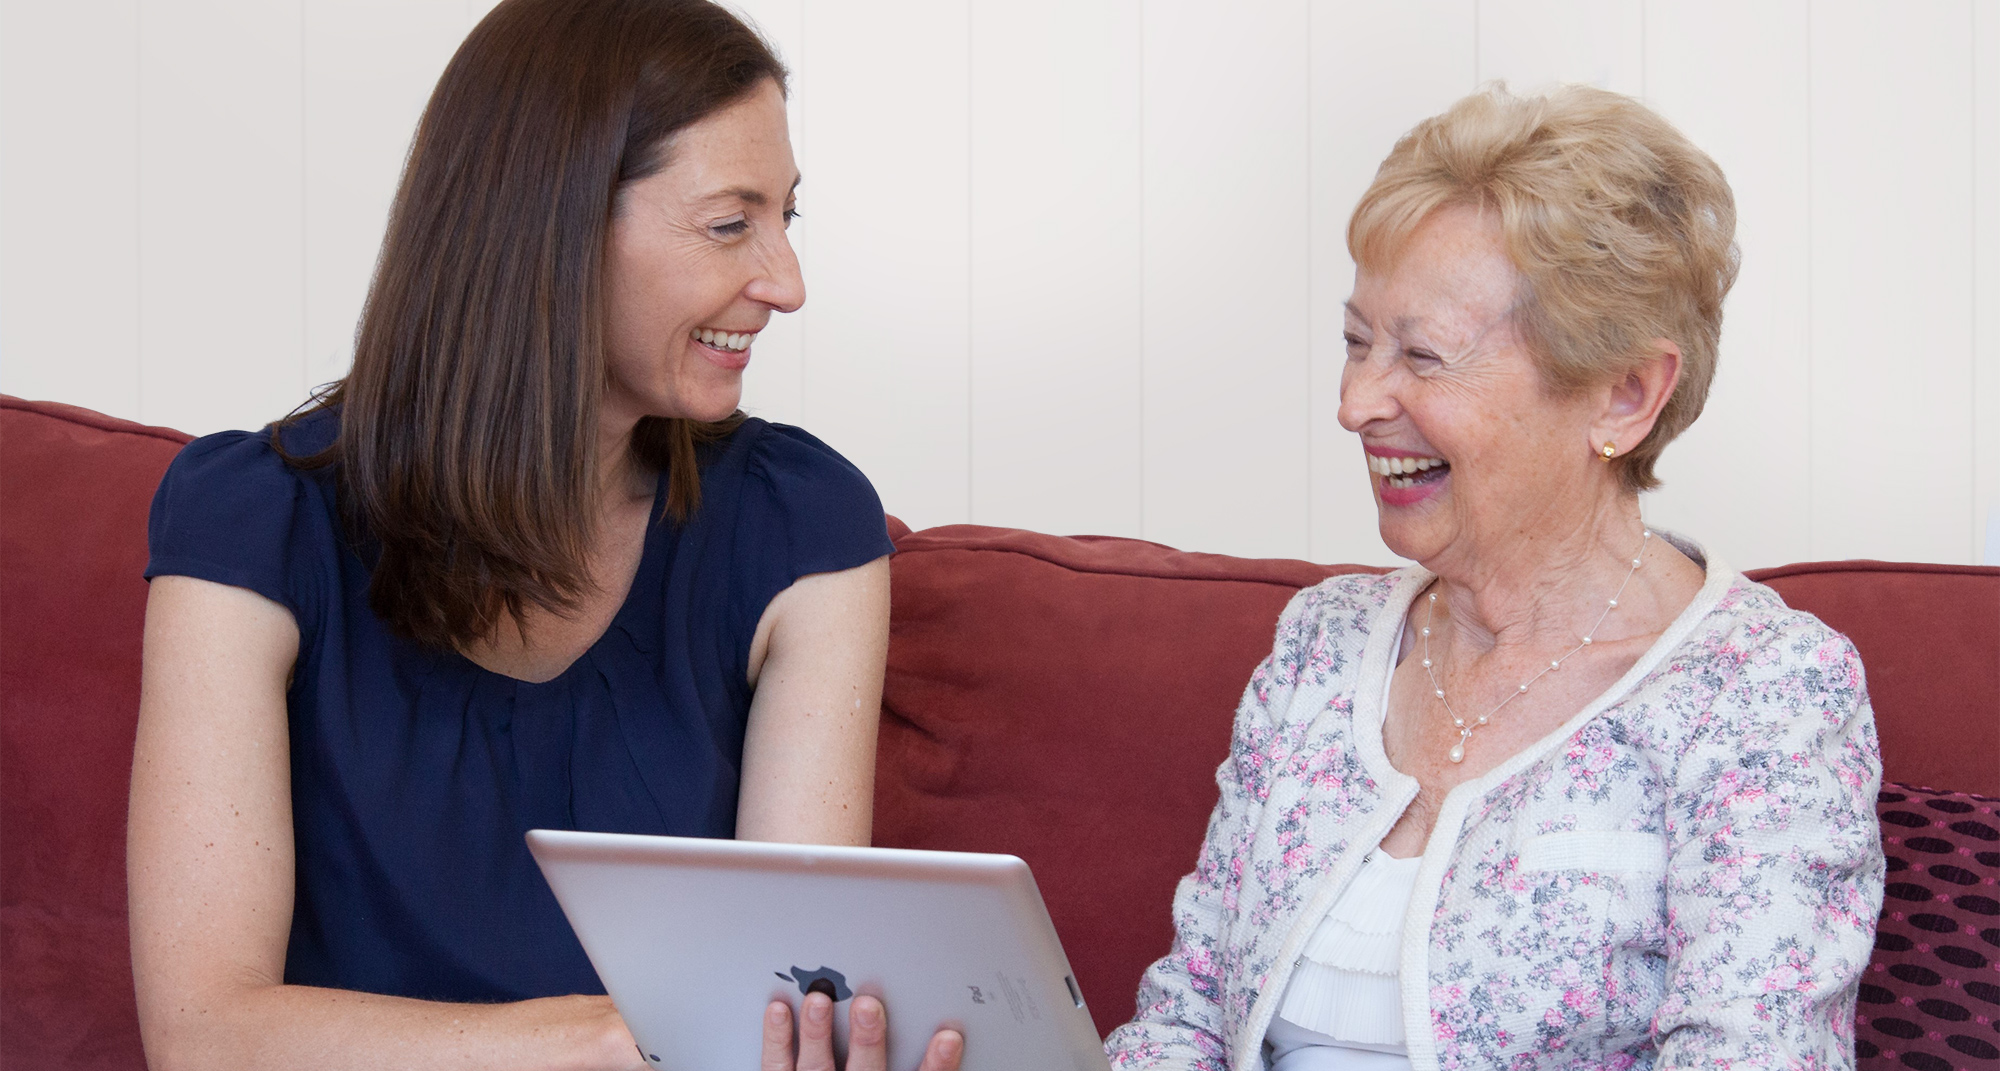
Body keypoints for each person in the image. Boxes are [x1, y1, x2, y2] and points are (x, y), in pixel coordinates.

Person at [127, 2, 959, 1069]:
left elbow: (781, 1001)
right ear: (550, 228)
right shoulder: (251, 522)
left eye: (786, 217)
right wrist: (611, 1044)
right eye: (727, 223)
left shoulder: (801, 525)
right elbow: (205, 1037)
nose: (784, 284)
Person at [1104, 85, 1883, 1070]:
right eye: (1354, 341)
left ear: (1624, 394)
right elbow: (1187, 1014)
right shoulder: (1322, 645)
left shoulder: (1756, 693)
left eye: (1421, 355)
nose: (1353, 404)